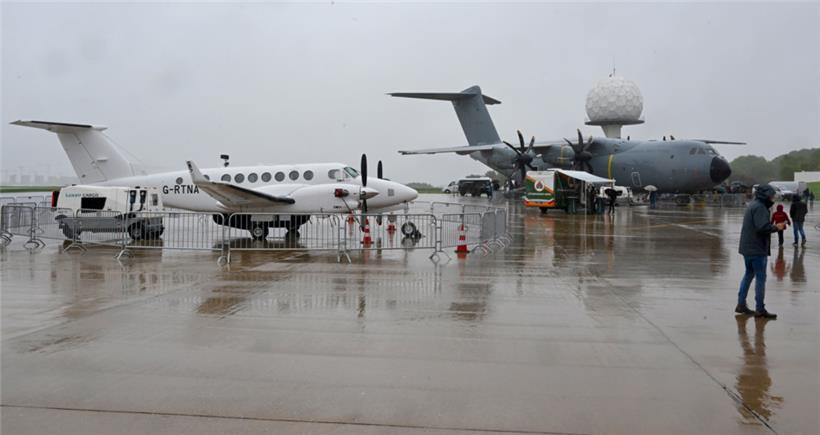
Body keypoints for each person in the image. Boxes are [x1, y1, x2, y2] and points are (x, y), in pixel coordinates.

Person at [736, 184, 783, 319]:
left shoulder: (753, 205)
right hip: (757, 249)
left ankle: (741, 304)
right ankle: (760, 309)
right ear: (765, 196)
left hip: (747, 248)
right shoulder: (760, 207)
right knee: (760, 278)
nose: (772, 199)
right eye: (771, 196)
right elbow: (762, 227)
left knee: (749, 274)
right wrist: (777, 227)